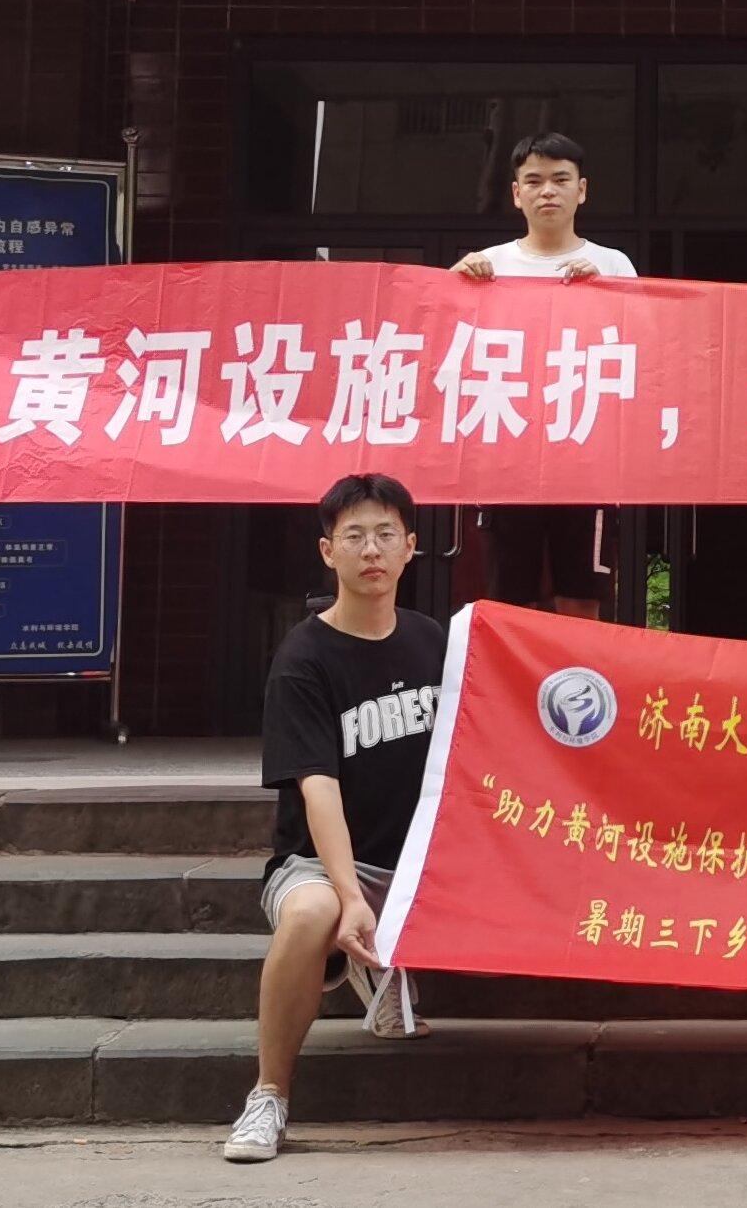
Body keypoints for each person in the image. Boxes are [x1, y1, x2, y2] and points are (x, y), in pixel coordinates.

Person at [225, 472, 447, 1163]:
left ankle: (387, 967)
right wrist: (352, 894)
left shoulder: (434, 643)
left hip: (415, 865)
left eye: (385, 534)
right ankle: (268, 1096)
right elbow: (317, 788)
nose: (371, 550)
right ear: (328, 552)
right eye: (354, 536)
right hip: (320, 864)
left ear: (410, 547)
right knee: (312, 913)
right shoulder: (303, 659)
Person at [450, 131, 636, 618]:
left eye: (560, 179)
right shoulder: (487, 264)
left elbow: (641, 352)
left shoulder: (614, 265)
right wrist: (454, 283)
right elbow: (444, 342)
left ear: (582, 189)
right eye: (533, 181)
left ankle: (581, 673)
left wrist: (607, 294)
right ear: (516, 193)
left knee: (584, 598)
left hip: (587, 456)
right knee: (512, 601)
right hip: (509, 457)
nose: (547, 191)